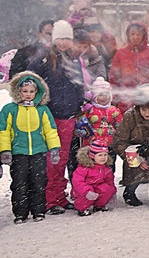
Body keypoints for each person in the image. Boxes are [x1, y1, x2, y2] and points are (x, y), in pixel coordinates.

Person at [28, 20, 88, 215]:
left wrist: (79, 102)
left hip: (68, 114)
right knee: (51, 158)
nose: (63, 43)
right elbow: (30, 80)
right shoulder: (44, 59)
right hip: (49, 114)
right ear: (54, 39)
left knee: (61, 158)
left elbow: (79, 84)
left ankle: (60, 196)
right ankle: (49, 199)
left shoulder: (73, 59)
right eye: (60, 38)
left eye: (67, 39)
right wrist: (40, 103)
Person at [0, 72, 61, 223]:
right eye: (25, 91)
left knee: (38, 181)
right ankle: (20, 212)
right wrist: (5, 150)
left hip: (38, 152)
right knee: (19, 182)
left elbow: (50, 131)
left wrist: (54, 149)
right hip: (18, 152)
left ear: (37, 92)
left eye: (31, 91)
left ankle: (38, 210)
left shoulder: (42, 110)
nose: (28, 94)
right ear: (18, 91)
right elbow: (3, 132)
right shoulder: (10, 110)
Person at [108, 20, 149, 113]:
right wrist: (115, 98)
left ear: (144, 36)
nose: (135, 37)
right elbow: (114, 77)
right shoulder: (121, 53)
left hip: (147, 99)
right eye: (132, 34)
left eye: (138, 34)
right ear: (128, 36)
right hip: (126, 98)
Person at [71, 139, 117, 215]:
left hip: (97, 188)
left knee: (106, 188)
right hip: (84, 190)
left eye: (105, 155)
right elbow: (77, 182)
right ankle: (82, 208)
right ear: (92, 156)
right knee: (89, 190)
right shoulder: (84, 168)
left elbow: (110, 181)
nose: (103, 157)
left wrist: (112, 192)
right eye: (100, 155)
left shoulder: (106, 168)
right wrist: (86, 191)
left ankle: (99, 205)